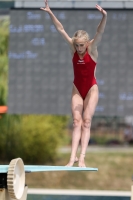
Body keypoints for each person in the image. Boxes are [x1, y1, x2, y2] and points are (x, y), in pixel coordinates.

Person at [40, 0, 107, 167]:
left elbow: (100, 31)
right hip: (77, 88)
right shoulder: (73, 48)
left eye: (81, 45)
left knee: (86, 121)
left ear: (86, 43)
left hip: (91, 88)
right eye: (76, 45)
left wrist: (104, 16)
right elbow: (61, 29)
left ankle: (82, 157)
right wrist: (50, 13)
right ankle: (72, 158)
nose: (78, 48)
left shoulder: (92, 48)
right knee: (76, 121)